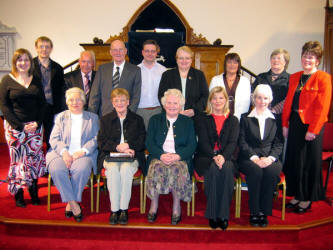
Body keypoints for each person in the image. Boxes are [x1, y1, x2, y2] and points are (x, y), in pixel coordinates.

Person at [282, 41, 332, 213]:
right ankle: (296, 195)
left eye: (311, 57)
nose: (307, 59)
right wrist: (285, 123)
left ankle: (307, 198)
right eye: (305, 56)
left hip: (312, 125)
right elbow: (289, 102)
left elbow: (323, 107)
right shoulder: (295, 77)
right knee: (295, 160)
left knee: (308, 162)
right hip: (295, 122)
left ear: (317, 60)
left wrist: (314, 130)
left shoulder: (324, 78)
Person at [0, 48, 46, 207]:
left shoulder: (36, 80)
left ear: (30, 62)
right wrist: (20, 126)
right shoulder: (7, 80)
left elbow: (42, 104)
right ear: (15, 62)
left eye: (26, 60)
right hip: (15, 129)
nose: (23, 63)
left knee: (33, 160)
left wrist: (37, 123)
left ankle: (33, 191)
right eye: (20, 60)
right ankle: (19, 193)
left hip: (35, 128)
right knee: (18, 161)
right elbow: (4, 106)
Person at [46, 87, 99, 222]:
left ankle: (70, 203)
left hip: (83, 154)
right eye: (71, 100)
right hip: (60, 152)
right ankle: (74, 203)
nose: (75, 102)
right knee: (57, 169)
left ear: (83, 101)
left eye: (78, 99)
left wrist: (83, 151)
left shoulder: (93, 117)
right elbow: (53, 138)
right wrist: (64, 153)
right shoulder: (60, 117)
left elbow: (96, 138)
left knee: (81, 169)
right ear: (67, 102)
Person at [145, 89, 197, 225]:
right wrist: (161, 155)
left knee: (176, 169)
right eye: (169, 103)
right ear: (164, 104)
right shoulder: (155, 120)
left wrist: (178, 156)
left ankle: (176, 206)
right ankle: (154, 204)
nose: (172, 106)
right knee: (156, 167)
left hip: (179, 158)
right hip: (159, 156)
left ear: (180, 105)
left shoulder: (187, 122)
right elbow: (149, 143)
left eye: (175, 103)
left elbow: (192, 145)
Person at [97, 88, 146, 225]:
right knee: (112, 170)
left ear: (128, 102)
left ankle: (124, 209)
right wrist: (117, 147)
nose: (120, 103)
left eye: (123, 100)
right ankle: (114, 210)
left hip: (131, 156)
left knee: (125, 170)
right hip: (110, 156)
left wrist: (129, 146)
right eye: (116, 101)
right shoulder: (105, 120)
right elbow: (101, 142)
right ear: (112, 103)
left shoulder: (137, 119)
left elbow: (142, 139)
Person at [194, 86, 239, 230]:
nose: (218, 101)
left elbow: (233, 143)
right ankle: (213, 214)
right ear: (210, 100)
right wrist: (215, 156)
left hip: (227, 158)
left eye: (221, 97)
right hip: (206, 156)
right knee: (213, 169)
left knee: (226, 169)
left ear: (226, 100)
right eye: (214, 98)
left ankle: (223, 214)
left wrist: (223, 157)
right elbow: (203, 142)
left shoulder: (233, 120)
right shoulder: (202, 118)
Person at [238, 84, 283, 227]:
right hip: (249, 158)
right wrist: (254, 157)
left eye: (265, 98)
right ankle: (254, 211)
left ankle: (264, 211)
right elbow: (242, 141)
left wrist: (270, 158)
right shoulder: (245, 118)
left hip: (270, 157)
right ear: (254, 99)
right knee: (256, 171)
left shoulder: (276, 119)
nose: (262, 101)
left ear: (270, 100)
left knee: (270, 172)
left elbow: (279, 143)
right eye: (258, 97)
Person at [88, 39, 141, 116]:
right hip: (104, 117)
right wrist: (91, 116)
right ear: (110, 52)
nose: (118, 53)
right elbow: (95, 95)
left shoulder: (135, 70)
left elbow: (136, 97)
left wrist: (128, 115)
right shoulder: (102, 69)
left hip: (125, 117)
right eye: (115, 50)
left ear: (126, 51)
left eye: (120, 50)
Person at [33, 36, 65, 149]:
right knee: (34, 139)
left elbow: (62, 90)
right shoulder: (30, 66)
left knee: (51, 138)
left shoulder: (58, 68)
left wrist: (60, 110)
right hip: (35, 108)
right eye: (41, 46)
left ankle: (50, 162)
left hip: (52, 109)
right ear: (36, 48)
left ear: (51, 49)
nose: (44, 49)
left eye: (47, 47)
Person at [158, 46, 209, 118]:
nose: (184, 61)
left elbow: (205, 96)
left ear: (191, 60)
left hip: (194, 117)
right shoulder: (167, 75)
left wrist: (194, 110)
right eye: (181, 58)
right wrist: (173, 110)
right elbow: (161, 96)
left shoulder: (199, 75)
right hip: (171, 116)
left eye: (187, 58)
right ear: (176, 59)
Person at [209, 53, 251, 120]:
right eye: (229, 62)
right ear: (225, 64)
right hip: (219, 118)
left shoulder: (245, 81)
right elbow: (211, 100)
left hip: (240, 119)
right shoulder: (215, 80)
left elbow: (247, 102)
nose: (232, 65)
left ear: (238, 65)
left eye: (235, 62)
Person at [137, 40, 166, 129]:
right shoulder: (135, 70)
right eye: (147, 51)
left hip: (158, 110)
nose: (150, 54)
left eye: (153, 51)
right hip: (140, 111)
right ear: (142, 52)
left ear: (157, 53)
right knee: (141, 139)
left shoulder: (163, 71)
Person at [252, 49, 290, 115]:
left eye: (279, 58)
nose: (275, 60)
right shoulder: (261, 77)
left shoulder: (290, 78)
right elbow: (252, 94)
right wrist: (260, 107)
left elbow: (289, 98)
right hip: (260, 114)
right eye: (273, 58)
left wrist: (274, 110)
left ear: (285, 62)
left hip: (279, 117)